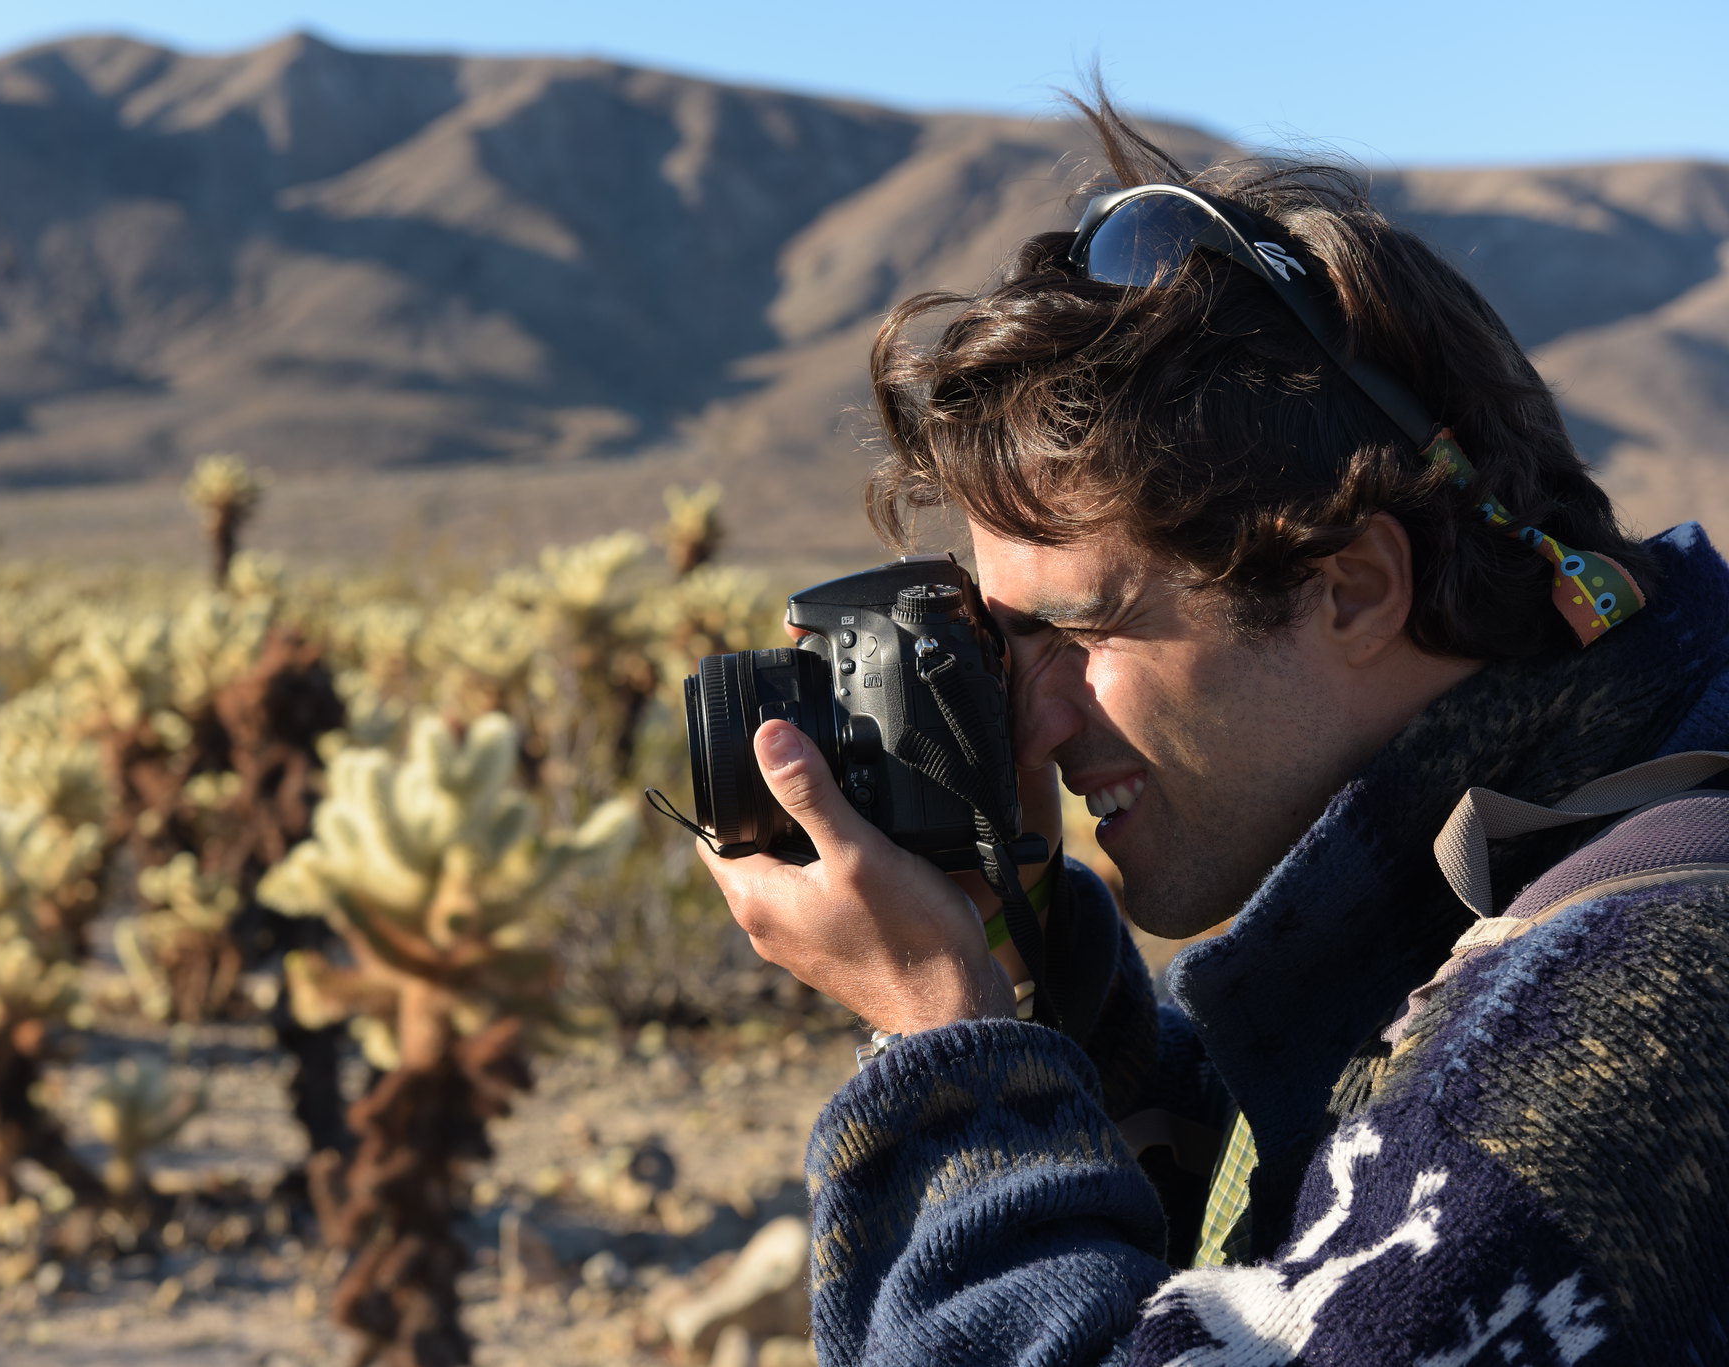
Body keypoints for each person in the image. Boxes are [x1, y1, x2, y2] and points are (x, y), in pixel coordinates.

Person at [699, 96, 1729, 1365]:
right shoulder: (1494, 875)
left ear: (1350, 589)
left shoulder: (1642, 997)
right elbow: (1270, 1252)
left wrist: (945, 1045)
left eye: (1079, 636)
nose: (1031, 715)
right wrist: (1018, 959)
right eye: (1005, 645)